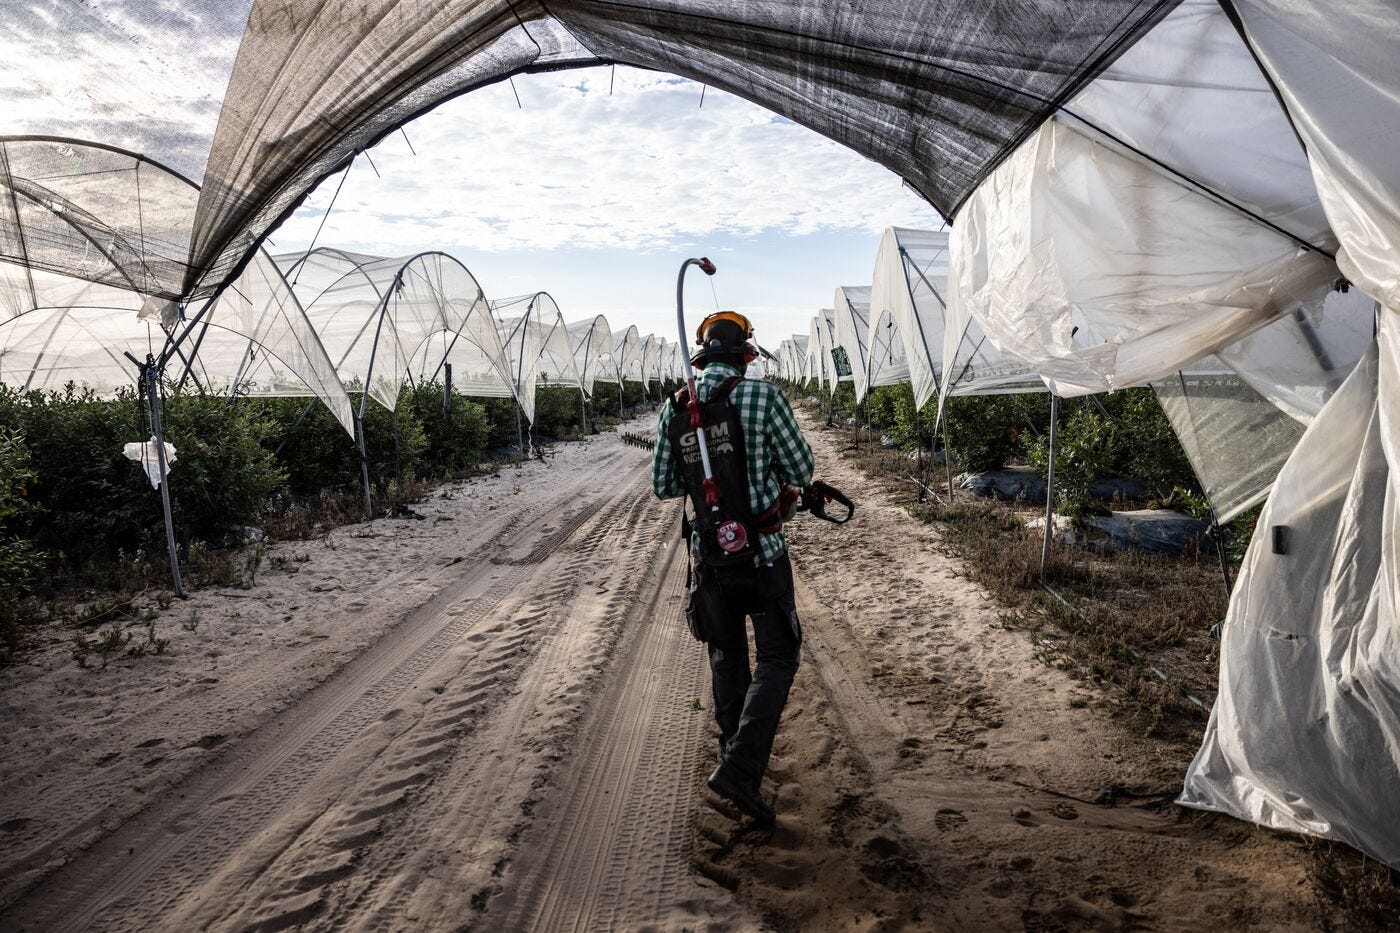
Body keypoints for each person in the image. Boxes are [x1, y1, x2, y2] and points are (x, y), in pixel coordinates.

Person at [651, 310, 815, 825]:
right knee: (779, 656)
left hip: (712, 561)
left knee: (726, 657)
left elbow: (664, 485)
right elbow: (802, 470)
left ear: (702, 357)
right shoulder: (763, 397)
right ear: (745, 354)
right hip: (763, 555)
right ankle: (742, 769)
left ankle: (732, 759)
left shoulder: (678, 406)